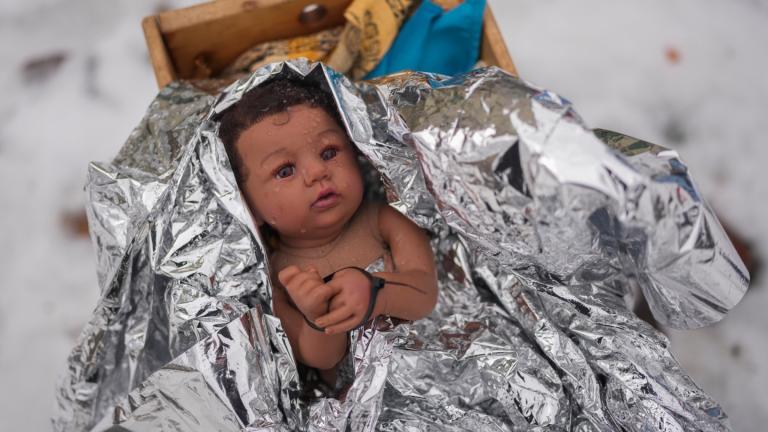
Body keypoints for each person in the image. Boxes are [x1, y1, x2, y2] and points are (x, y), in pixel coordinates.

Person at [217, 78, 438, 396]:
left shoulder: (381, 220)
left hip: (427, 370)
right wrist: (318, 318)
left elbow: (425, 294)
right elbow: (322, 358)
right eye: (285, 170)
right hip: (361, 399)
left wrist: (377, 293)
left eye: (329, 151)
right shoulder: (278, 276)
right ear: (249, 208)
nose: (317, 172)